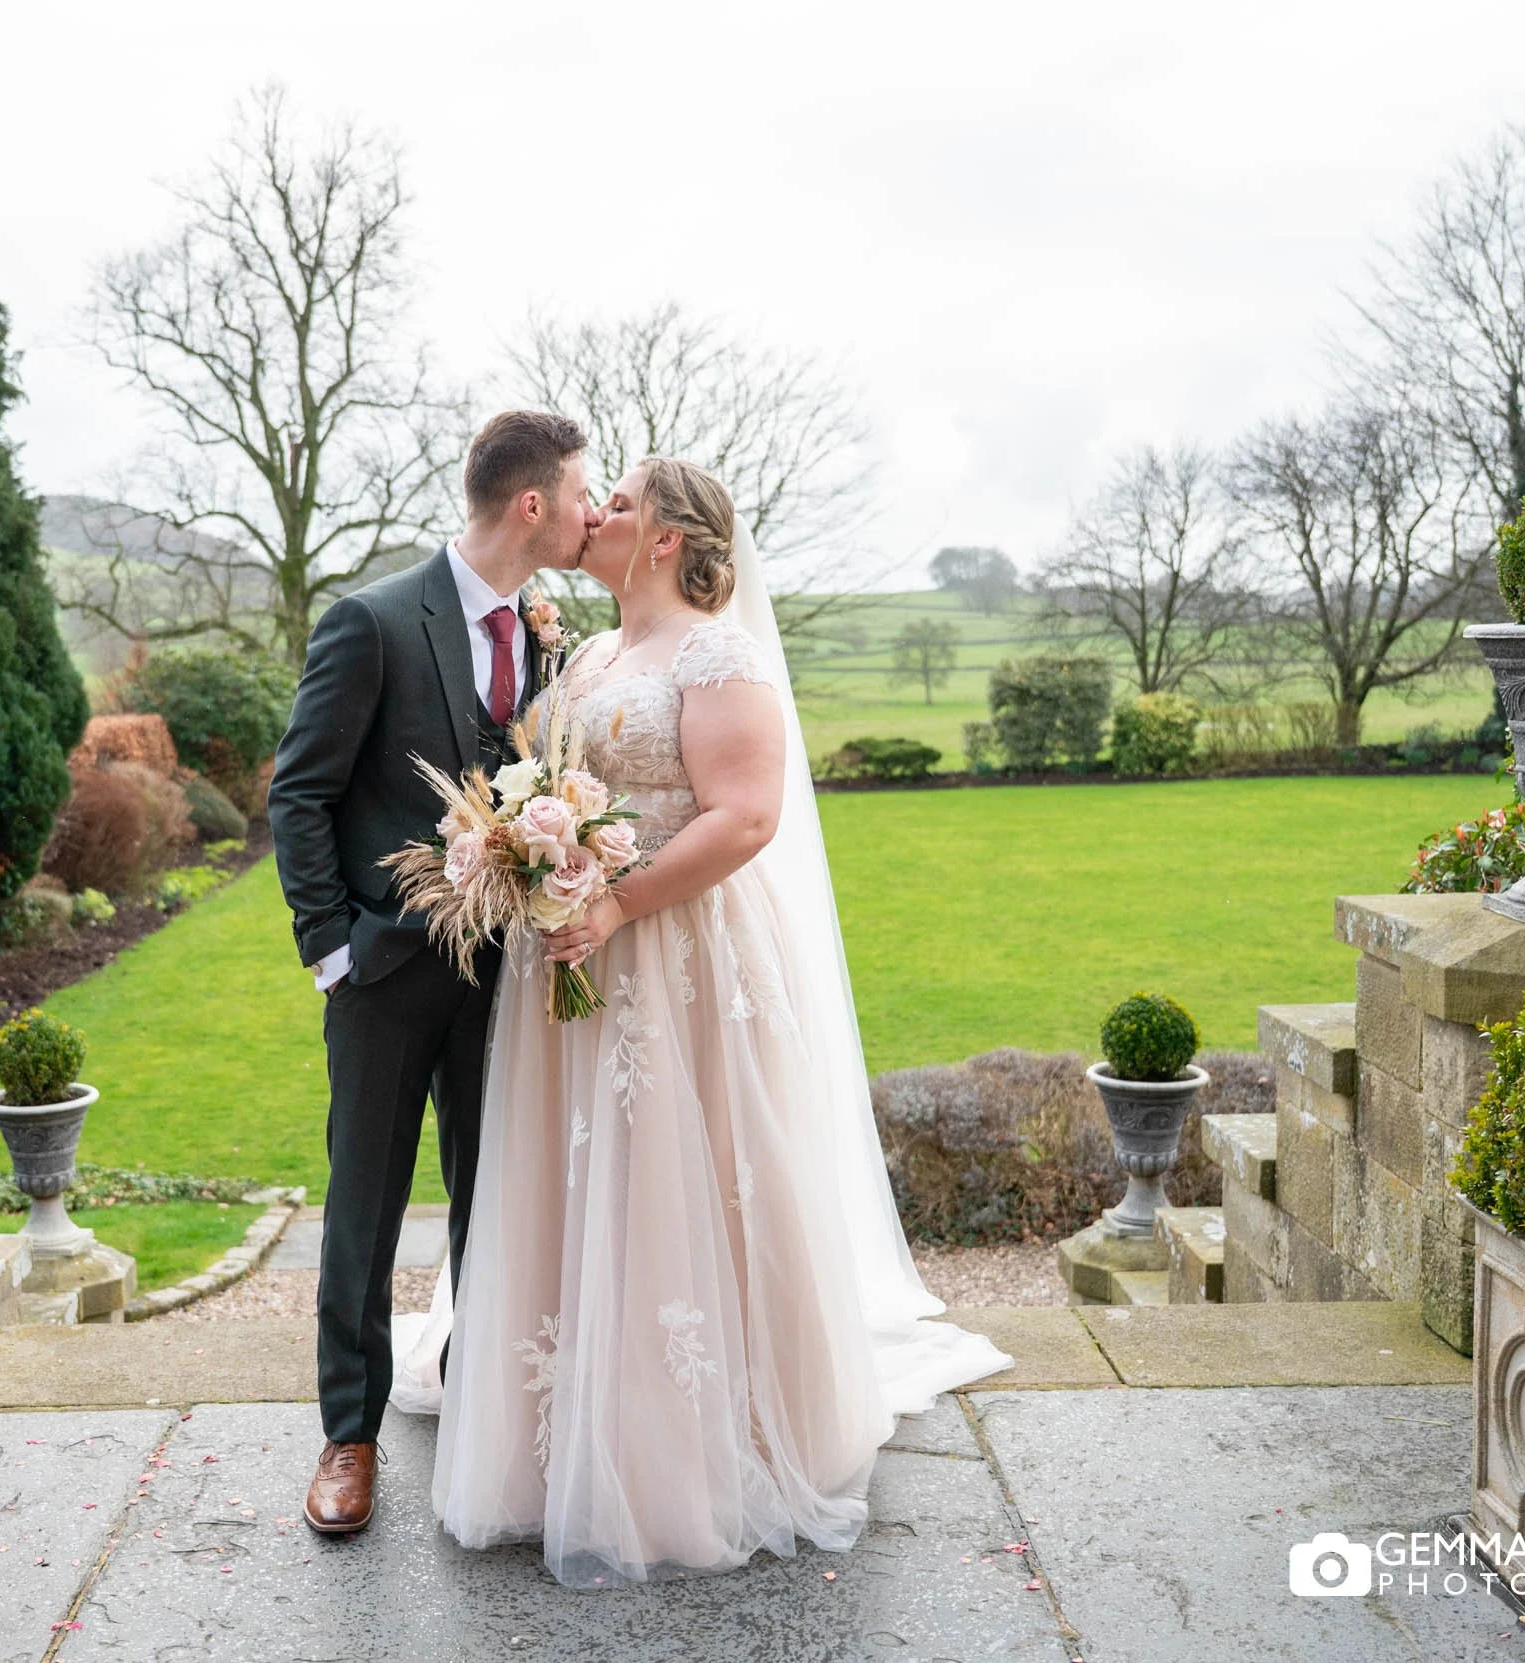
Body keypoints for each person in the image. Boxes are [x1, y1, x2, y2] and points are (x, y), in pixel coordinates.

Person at [400, 456, 1012, 1585]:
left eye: (619, 504)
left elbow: (745, 815)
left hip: (675, 960)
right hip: (572, 962)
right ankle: (557, 1441)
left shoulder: (719, 652)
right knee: (579, 1187)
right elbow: (550, 782)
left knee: (681, 1182)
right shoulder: (585, 655)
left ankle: (682, 1453)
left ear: (671, 537)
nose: (596, 514)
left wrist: (615, 898)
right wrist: (520, 850)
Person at [267, 409, 598, 1534]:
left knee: (493, 1189)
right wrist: (333, 948)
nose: (592, 508)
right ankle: (347, 1437)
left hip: (507, 975)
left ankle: (479, 1395)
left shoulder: (548, 633)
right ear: (530, 505)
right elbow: (299, 792)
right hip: (383, 971)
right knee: (363, 1199)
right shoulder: (370, 622)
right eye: (581, 491)